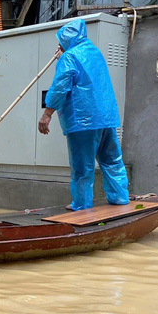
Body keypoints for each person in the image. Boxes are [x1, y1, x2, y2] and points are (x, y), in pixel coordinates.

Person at [38, 18, 129, 211]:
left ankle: (81, 205)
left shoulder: (69, 57)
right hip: (105, 118)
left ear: (67, 40)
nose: (58, 45)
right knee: (112, 160)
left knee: (82, 167)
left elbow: (61, 86)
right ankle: (120, 198)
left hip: (83, 120)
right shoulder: (95, 53)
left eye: (60, 41)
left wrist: (47, 113)